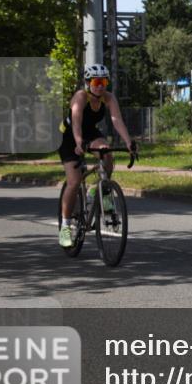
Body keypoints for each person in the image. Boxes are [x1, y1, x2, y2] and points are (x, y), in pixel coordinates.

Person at [58, 64, 136, 248]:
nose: (100, 86)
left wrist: (128, 142)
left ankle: (98, 190)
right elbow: (76, 122)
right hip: (69, 137)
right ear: (88, 83)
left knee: (106, 152)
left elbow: (117, 120)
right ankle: (65, 227)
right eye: (96, 81)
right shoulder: (80, 97)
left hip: (90, 133)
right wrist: (78, 143)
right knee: (74, 181)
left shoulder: (108, 98)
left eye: (104, 81)